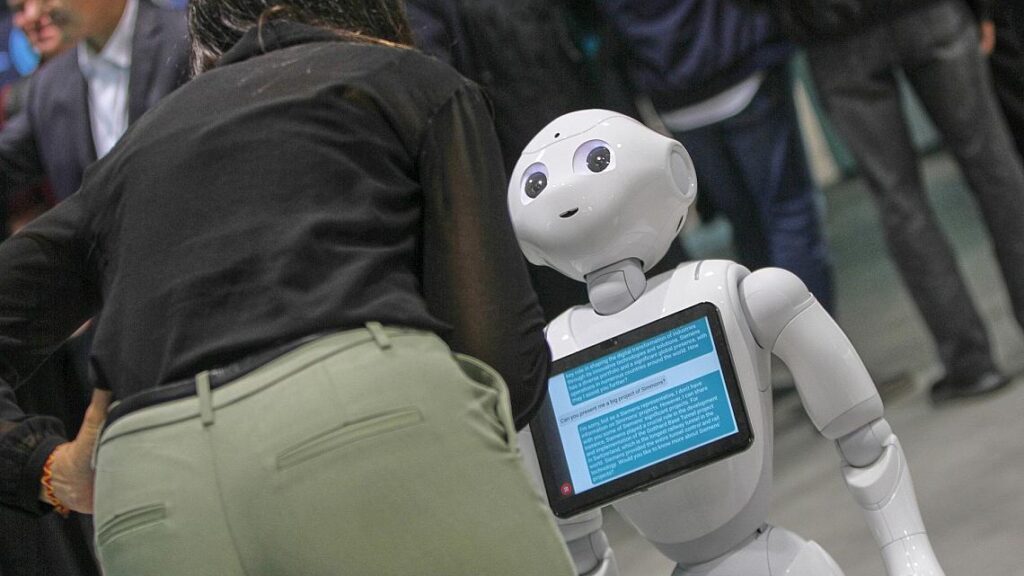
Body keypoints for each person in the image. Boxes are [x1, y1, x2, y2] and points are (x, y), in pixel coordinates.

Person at [0, 0, 576, 574]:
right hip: (363, 421)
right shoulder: (410, 82)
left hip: (146, 486)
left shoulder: (133, 152)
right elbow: (498, 359)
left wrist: (43, 466)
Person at [770, 0, 1024, 401]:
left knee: (899, 201)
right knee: (993, 167)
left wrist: (795, 22)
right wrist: (982, 10)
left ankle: (970, 365)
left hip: (834, 40)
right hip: (931, 14)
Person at [406, 0, 689, 320]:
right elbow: (441, 93)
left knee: (658, 278)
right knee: (579, 309)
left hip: (597, 140)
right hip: (529, 182)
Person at [596, 0, 835, 313]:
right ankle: (809, 335)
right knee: (788, 213)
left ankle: (769, 332)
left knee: (745, 222)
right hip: (742, 60)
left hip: (673, 93)